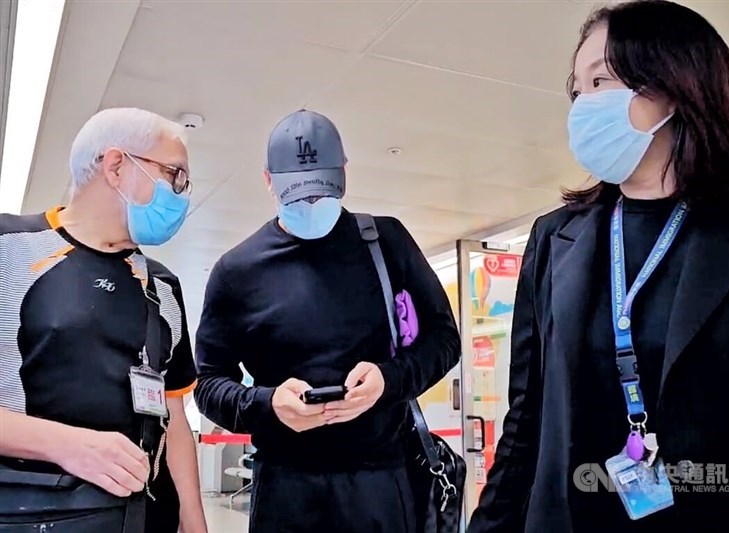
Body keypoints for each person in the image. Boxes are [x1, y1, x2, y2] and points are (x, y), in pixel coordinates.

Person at [468, 1, 729, 532]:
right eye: (577, 89)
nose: (583, 104)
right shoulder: (557, 238)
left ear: (674, 82)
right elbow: (527, 419)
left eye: (601, 80)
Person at [194, 109, 461, 533]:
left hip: (381, 481)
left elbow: (445, 339)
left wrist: (388, 380)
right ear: (268, 180)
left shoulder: (387, 242)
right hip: (286, 488)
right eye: (297, 195)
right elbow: (208, 384)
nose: (312, 205)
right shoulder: (237, 272)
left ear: (344, 175)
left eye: (321, 191)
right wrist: (267, 405)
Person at [0, 108, 208, 533]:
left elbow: (175, 417)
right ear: (116, 165)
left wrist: (194, 522)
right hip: (31, 513)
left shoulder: (162, 286)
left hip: (144, 518)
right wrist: (64, 445)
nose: (181, 194)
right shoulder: (10, 250)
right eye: (175, 175)